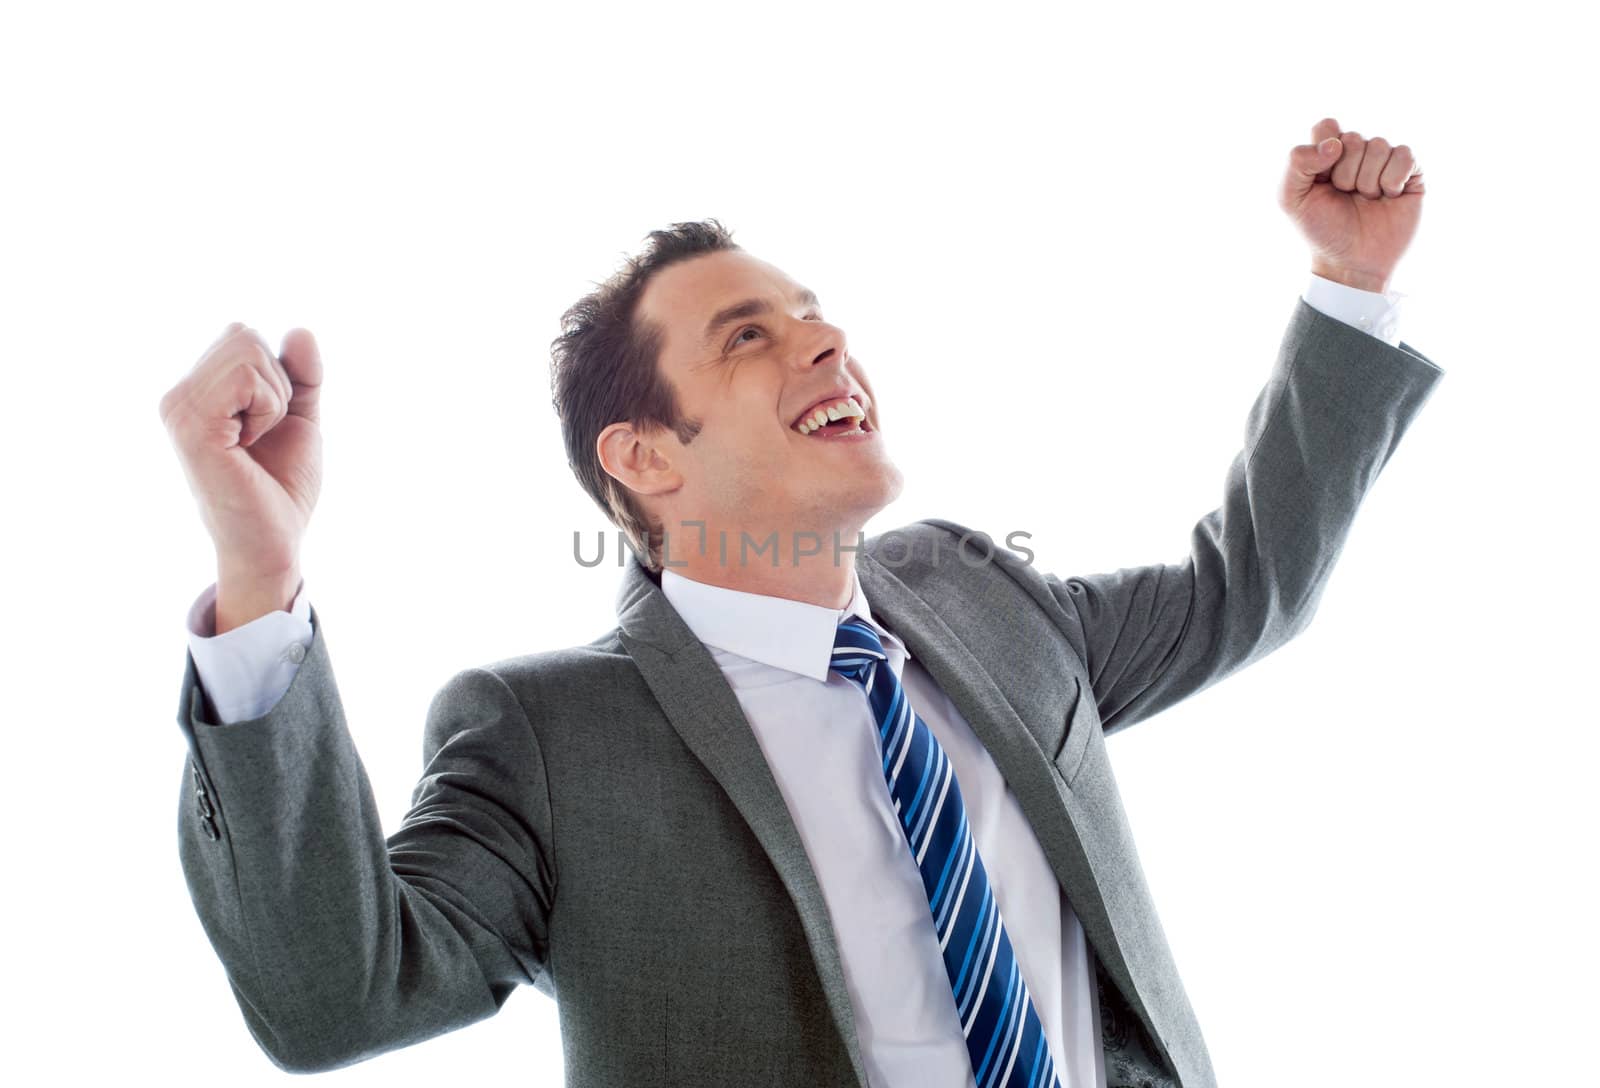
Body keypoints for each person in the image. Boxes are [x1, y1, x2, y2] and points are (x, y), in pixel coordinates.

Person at [159, 117, 1443, 1088]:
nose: (826, 345)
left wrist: (1347, 282)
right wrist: (260, 581)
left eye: (813, 318)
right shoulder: (546, 735)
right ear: (645, 457)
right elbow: (334, 995)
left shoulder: (982, 599)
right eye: (746, 338)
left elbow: (1244, 590)